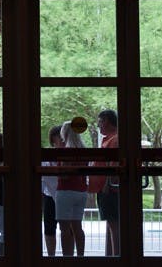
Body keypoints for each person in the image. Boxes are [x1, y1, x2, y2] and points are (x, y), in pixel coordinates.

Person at [56, 120, 88, 257]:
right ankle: (80, 257)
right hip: (81, 190)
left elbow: (64, 174)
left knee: (64, 229)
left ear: (64, 133)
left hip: (65, 191)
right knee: (77, 226)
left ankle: (67, 259)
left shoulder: (66, 151)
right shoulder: (84, 150)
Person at [95, 109, 120, 257]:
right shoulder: (109, 139)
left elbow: (114, 164)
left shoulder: (115, 140)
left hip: (110, 189)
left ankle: (116, 260)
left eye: (100, 122)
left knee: (114, 226)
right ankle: (110, 258)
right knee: (111, 225)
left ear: (107, 122)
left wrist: (107, 184)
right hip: (106, 187)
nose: (99, 126)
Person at [41, 125, 62, 257]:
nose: (61, 139)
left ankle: (68, 256)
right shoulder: (48, 155)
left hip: (63, 193)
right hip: (50, 195)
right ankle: (51, 257)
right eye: (59, 136)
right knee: (49, 228)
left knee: (69, 227)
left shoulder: (69, 153)